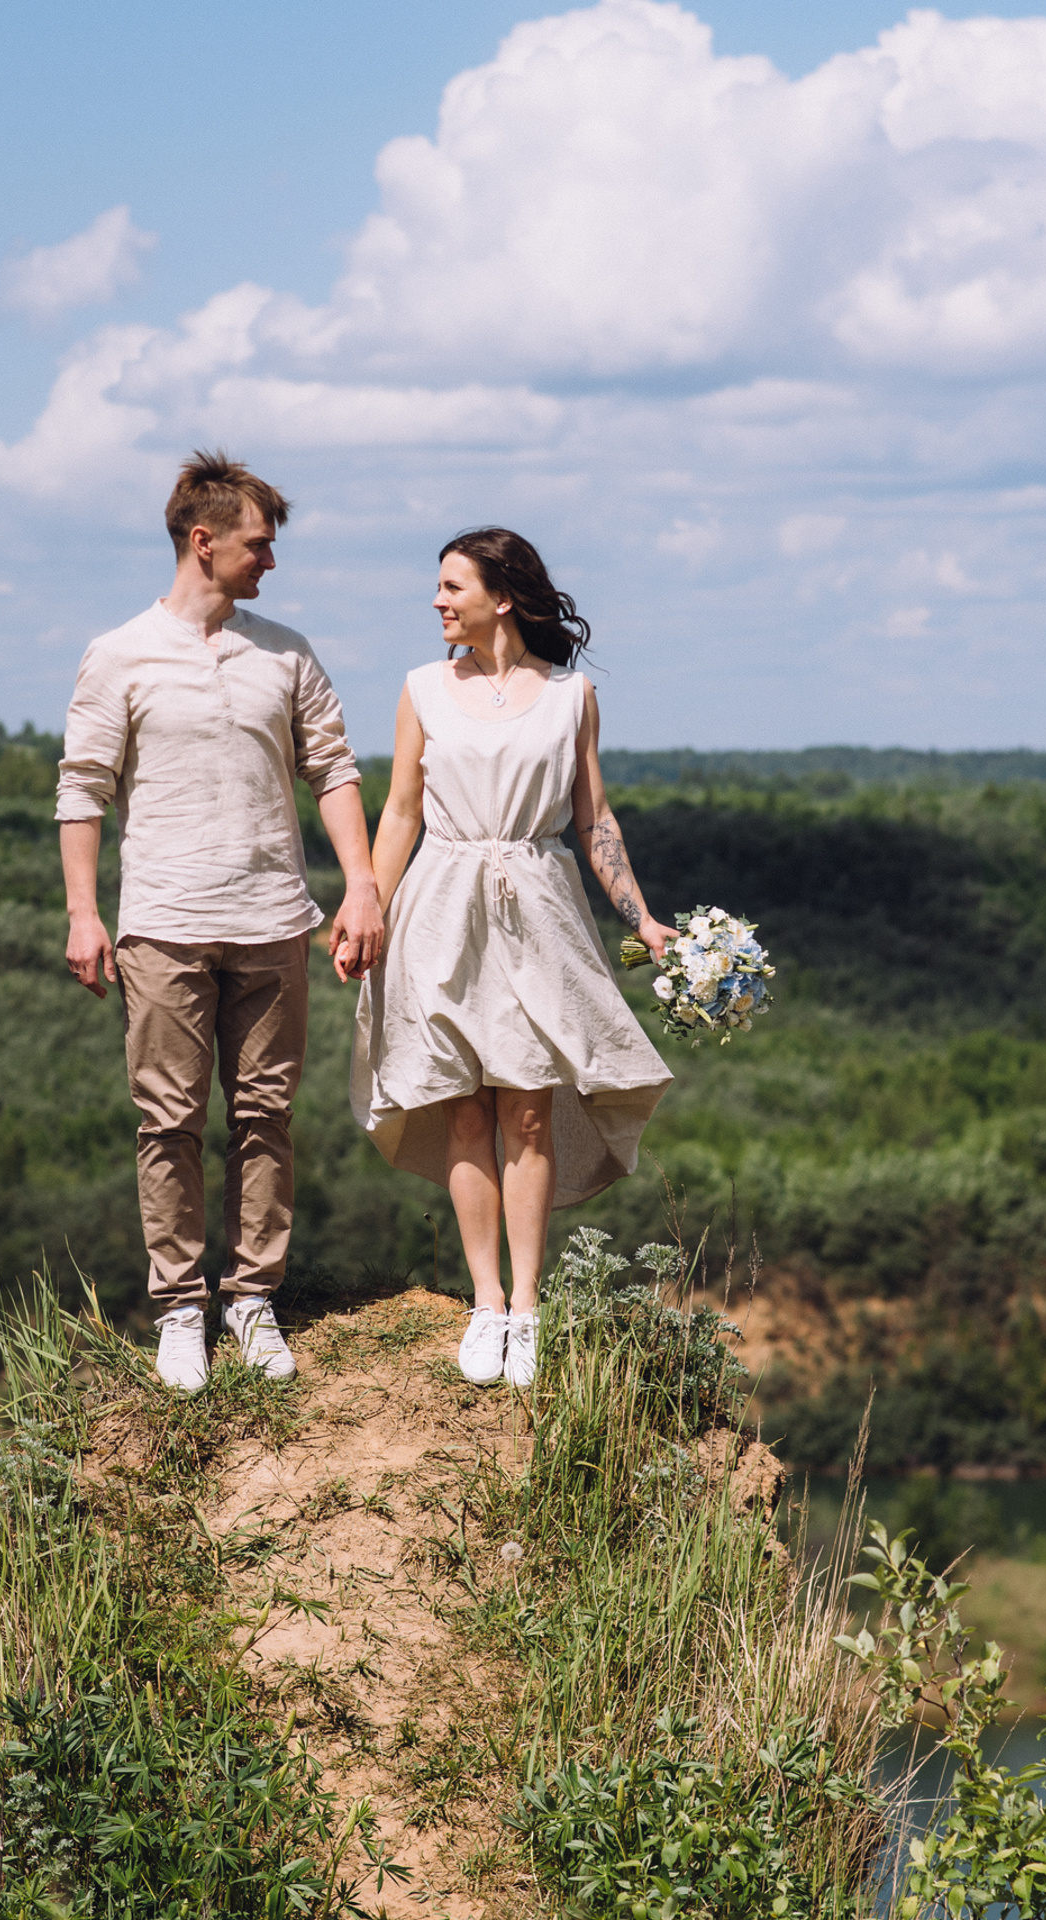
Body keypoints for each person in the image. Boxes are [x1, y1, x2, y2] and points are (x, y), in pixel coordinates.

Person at [58, 451, 385, 1394]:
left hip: (275, 918)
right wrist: (85, 914)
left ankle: (252, 1299)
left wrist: (359, 885)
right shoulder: (117, 652)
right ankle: (178, 1311)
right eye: (257, 546)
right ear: (203, 544)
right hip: (160, 920)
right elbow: (82, 789)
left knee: (264, 1115)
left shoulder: (285, 650)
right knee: (167, 1120)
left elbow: (334, 766)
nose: (269, 563)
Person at [350, 527, 673, 1388]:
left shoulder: (573, 697)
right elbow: (400, 814)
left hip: (537, 911)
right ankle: (485, 1304)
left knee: (527, 1109)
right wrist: (368, 913)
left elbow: (593, 817)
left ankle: (526, 1310)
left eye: (452, 585)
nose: (437, 600)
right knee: (461, 1106)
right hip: (442, 910)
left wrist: (641, 919)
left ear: (503, 596)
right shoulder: (422, 688)